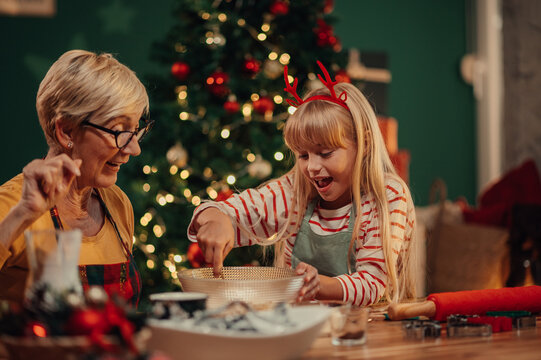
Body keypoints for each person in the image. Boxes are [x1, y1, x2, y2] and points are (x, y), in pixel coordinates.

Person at [188, 61, 416, 306]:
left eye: (326, 153)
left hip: (368, 332)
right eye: (303, 155)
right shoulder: (295, 190)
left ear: (365, 144)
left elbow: (371, 284)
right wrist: (217, 219)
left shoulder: (387, 195)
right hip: (300, 327)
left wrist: (320, 284)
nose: (312, 167)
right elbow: (228, 210)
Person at [0, 50, 153, 307]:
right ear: (66, 131)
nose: (134, 149)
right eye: (119, 131)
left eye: (136, 130)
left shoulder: (118, 204)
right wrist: (22, 215)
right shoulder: (11, 205)